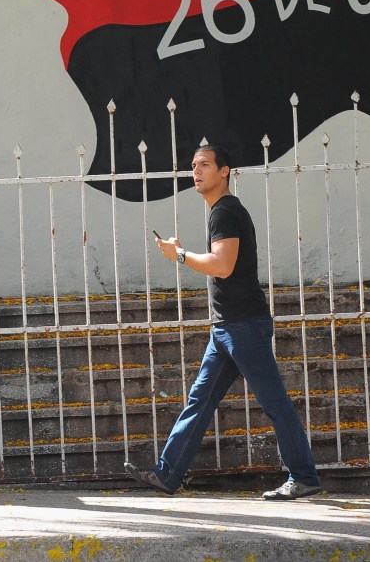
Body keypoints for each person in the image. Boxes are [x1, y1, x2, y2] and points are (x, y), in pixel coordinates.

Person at [124, 143, 324, 500]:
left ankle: (303, 476)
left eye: (205, 165)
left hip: (244, 326)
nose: (197, 171)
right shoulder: (220, 211)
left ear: (224, 171)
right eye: (193, 165)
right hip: (226, 328)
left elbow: (223, 265)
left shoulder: (225, 211)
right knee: (198, 402)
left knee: (274, 402)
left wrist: (180, 255)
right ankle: (167, 475)